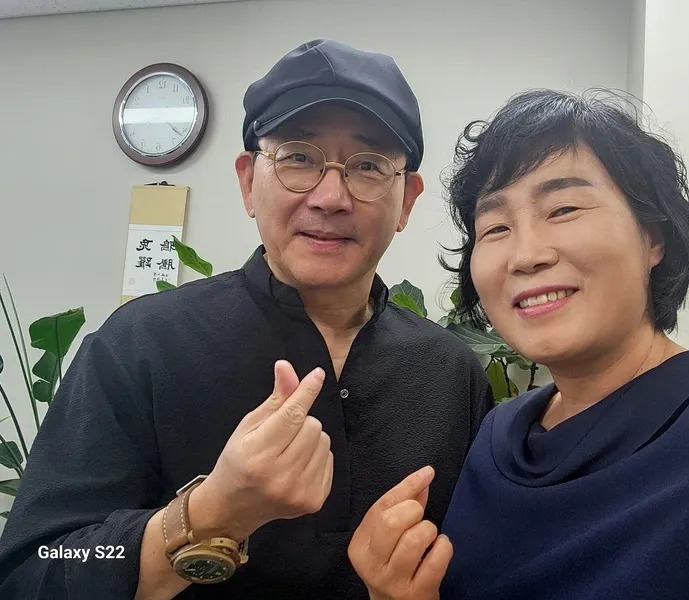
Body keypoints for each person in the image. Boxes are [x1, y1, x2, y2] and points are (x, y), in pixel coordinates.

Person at [0, 39, 494, 599]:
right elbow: (36, 568)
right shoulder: (139, 344)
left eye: (368, 166)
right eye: (298, 157)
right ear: (247, 182)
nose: (330, 196)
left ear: (406, 200)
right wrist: (212, 513)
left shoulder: (450, 372)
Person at [347, 88, 689, 600]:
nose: (525, 255)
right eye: (495, 227)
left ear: (653, 237)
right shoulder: (499, 435)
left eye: (563, 209)